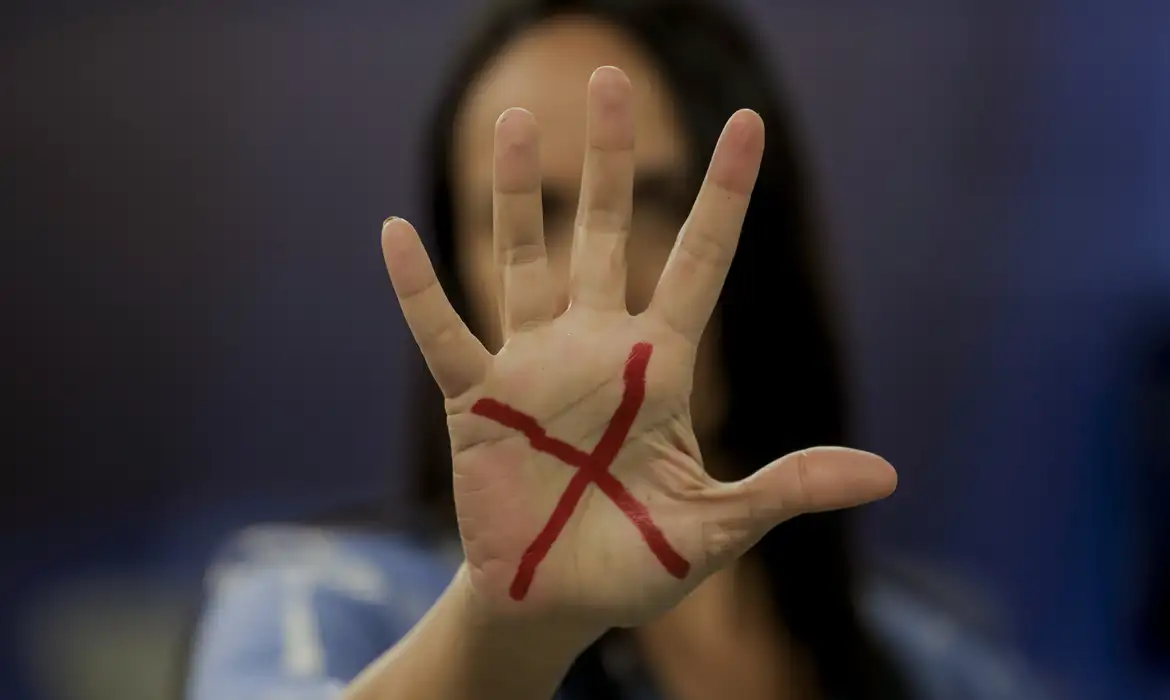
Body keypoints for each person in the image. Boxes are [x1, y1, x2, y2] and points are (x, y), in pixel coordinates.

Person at [185, 1, 1042, 699]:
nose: (587, 282)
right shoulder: (322, 598)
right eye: (526, 216)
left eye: (657, 203)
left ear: (759, 246)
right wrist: (508, 635)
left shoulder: (938, 659)